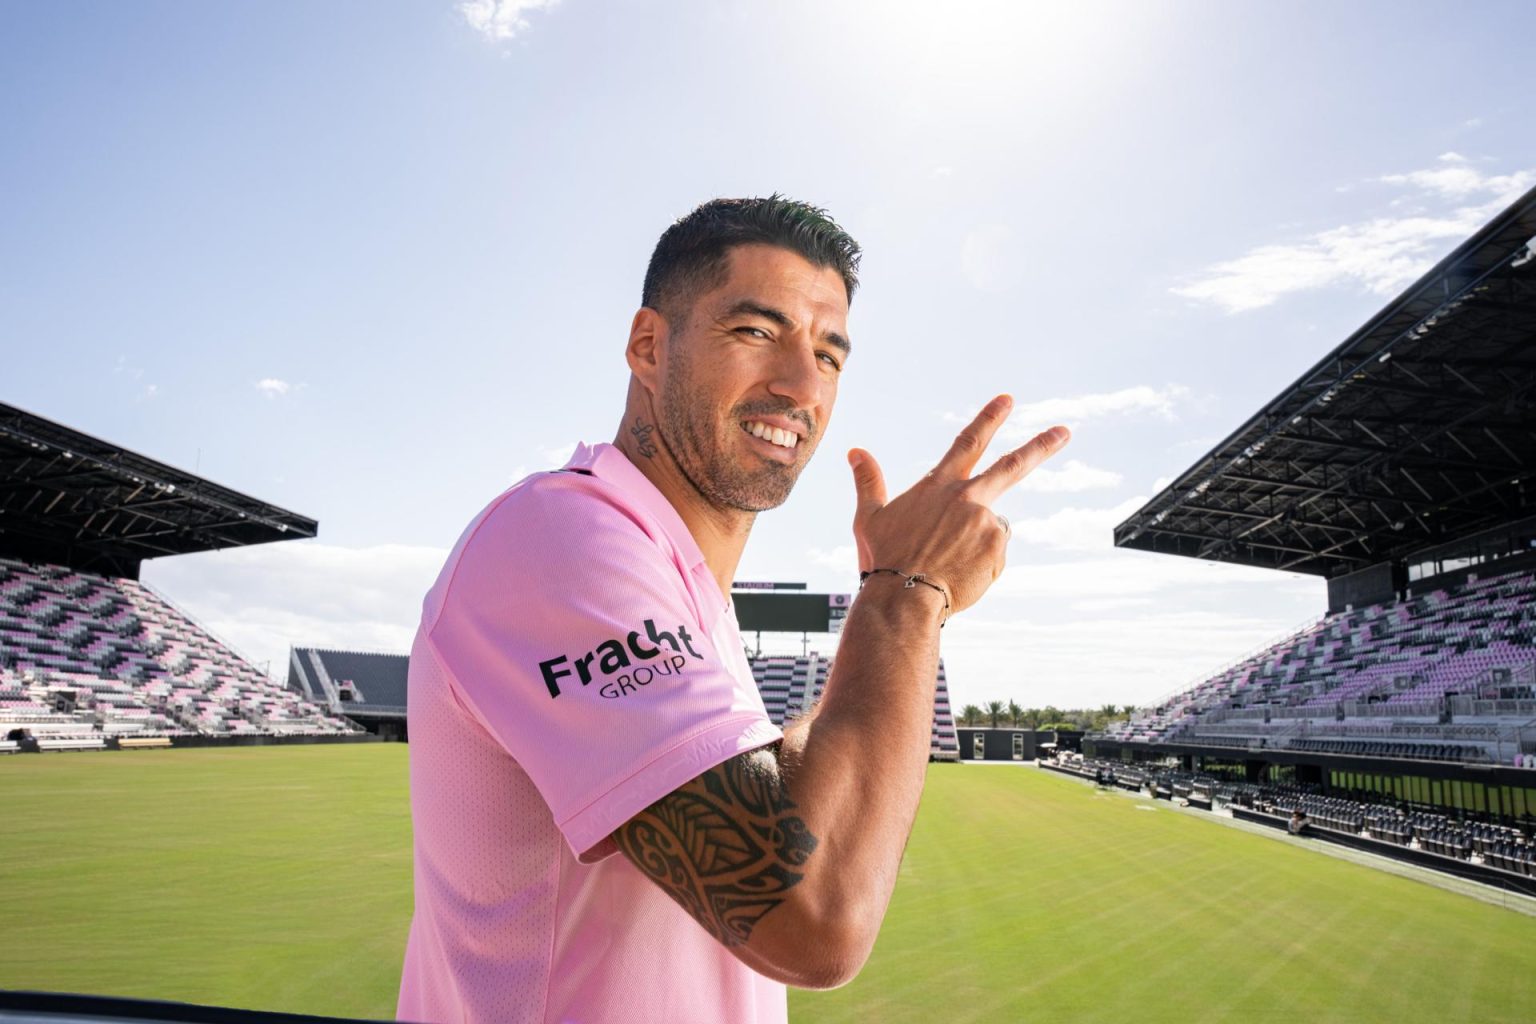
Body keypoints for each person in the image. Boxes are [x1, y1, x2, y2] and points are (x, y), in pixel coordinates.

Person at [395, 196, 1071, 1024]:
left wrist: (893, 593)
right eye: (756, 332)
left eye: (828, 354)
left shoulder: (675, 585)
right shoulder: (559, 541)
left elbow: (791, 798)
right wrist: (906, 595)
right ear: (650, 346)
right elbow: (812, 917)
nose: (799, 386)